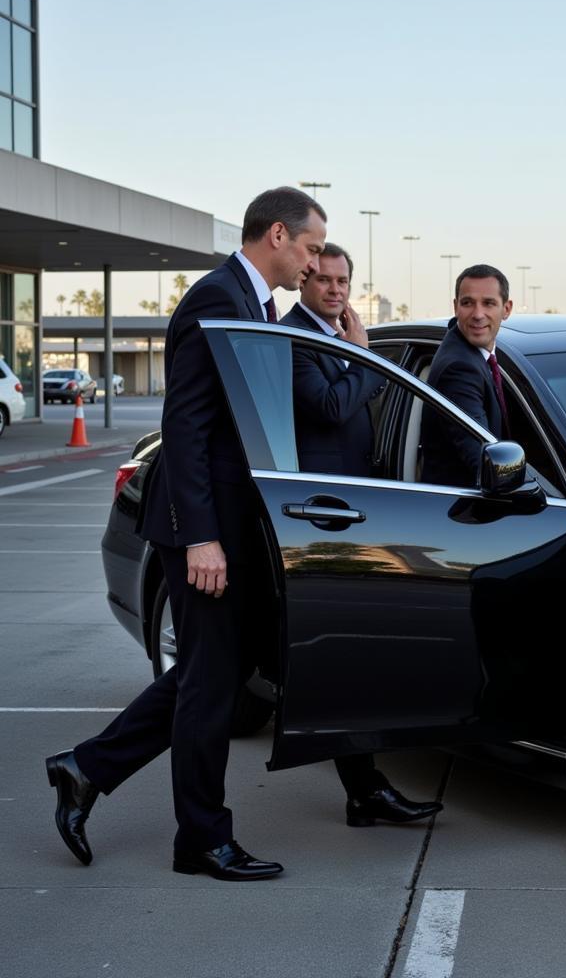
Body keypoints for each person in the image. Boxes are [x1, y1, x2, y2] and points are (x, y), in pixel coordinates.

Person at [45, 186, 326, 881]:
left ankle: (85, 768)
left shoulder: (253, 302)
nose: (315, 265)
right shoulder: (216, 298)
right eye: (313, 248)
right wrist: (202, 538)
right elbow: (188, 423)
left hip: (234, 524)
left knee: (216, 673)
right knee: (209, 685)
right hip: (203, 527)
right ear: (279, 236)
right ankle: (200, 839)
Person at [279, 243, 443, 826]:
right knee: (337, 658)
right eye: (323, 279)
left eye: (343, 280)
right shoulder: (294, 338)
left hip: (363, 513)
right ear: (305, 282)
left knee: (350, 659)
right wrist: (362, 358)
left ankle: (364, 791)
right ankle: (365, 789)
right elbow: (329, 406)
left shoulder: (337, 332)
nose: (335, 289)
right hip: (318, 520)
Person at [421, 264, 512, 487]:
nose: (477, 314)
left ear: (506, 309)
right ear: (455, 307)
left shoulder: (479, 354)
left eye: (488, 303)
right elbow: (484, 458)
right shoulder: (460, 369)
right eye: (467, 303)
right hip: (462, 510)